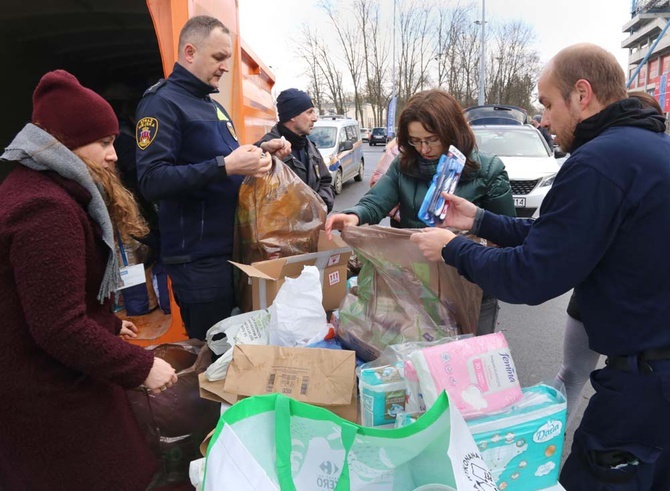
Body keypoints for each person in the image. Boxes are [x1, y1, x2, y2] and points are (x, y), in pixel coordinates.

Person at [410, 44, 670, 489]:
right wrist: (478, 220)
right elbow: (563, 239)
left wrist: (453, 248)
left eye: (548, 104)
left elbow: (531, 275)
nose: (543, 119)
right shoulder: (646, 150)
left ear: (582, 94)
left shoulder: (599, 163)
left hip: (645, 385)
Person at [0, 70, 178, 490]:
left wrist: (109, 323)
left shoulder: (40, 189)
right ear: (66, 144)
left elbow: (49, 295)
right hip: (46, 394)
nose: (115, 155)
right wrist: (141, 367)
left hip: (43, 379)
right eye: (103, 143)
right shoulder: (45, 209)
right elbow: (58, 326)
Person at [135, 16, 287, 340]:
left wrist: (261, 150)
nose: (226, 67)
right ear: (190, 52)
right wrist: (226, 166)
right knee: (211, 358)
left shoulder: (210, 104)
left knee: (240, 349)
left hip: (230, 253)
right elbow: (152, 180)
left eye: (227, 59)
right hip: (198, 263)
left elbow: (223, 160)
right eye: (219, 57)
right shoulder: (161, 102)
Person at [326, 89, 516, 336]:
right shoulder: (404, 165)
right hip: (417, 285)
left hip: (472, 287)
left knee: (472, 358)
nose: (423, 149)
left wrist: (465, 243)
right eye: (415, 141)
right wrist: (355, 215)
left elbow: (507, 233)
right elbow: (375, 201)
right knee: (421, 361)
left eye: (431, 139)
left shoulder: (488, 170)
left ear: (452, 131)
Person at [553, 90, 665, 426]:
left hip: (641, 331)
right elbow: (554, 239)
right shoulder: (596, 164)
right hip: (594, 300)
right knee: (574, 374)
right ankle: (545, 445)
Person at [256, 88, 334, 211]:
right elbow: (257, 193)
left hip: (313, 226)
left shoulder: (310, 147)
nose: (315, 118)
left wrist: (321, 205)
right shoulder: (266, 149)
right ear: (292, 116)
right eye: (309, 112)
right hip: (280, 228)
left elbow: (326, 182)